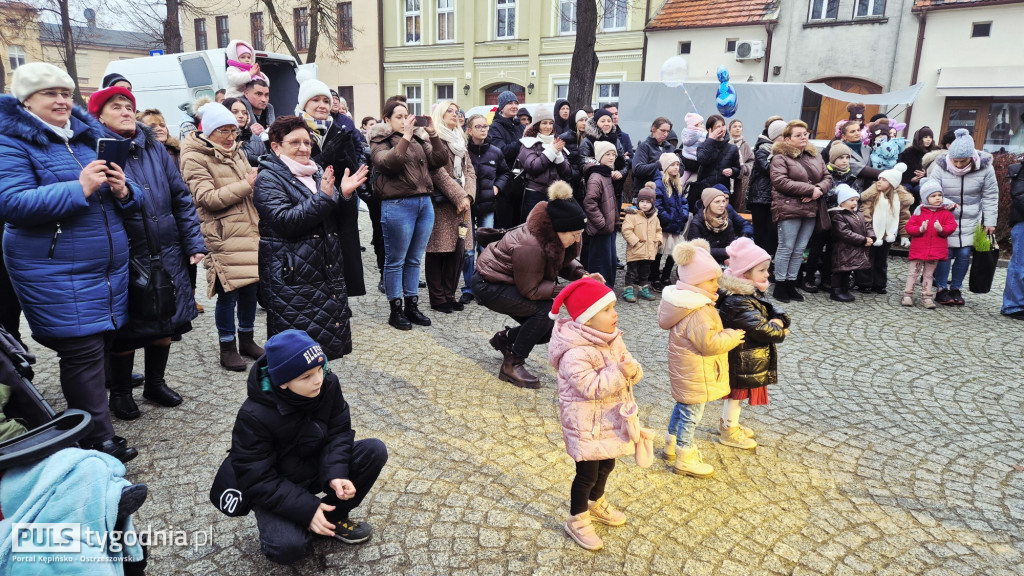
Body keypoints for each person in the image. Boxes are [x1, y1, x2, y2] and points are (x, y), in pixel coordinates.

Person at [0, 63, 139, 462]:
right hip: (53, 266)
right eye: (50, 93)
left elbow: (131, 198)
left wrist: (124, 190)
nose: (62, 100)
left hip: (104, 267)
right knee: (82, 350)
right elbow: (11, 203)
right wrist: (79, 187)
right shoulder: (10, 140)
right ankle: (95, 437)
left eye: (66, 92)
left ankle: (87, 418)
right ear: (26, 100)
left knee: (99, 342)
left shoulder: (84, 137)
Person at [88, 87, 205, 421]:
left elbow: (181, 197)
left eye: (129, 106)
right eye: (116, 107)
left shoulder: (153, 146)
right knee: (128, 328)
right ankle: (121, 393)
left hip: (167, 248)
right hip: (125, 252)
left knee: (166, 320)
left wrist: (193, 242)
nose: (125, 111)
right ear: (100, 115)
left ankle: (155, 383)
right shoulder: (93, 149)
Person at [228, 329, 388, 565]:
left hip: (314, 465)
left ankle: (333, 517)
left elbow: (339, 431)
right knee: (287, 548)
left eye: (319, 369)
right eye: (306, 377)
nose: (318, 380)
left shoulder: (328, 383)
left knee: (374, 450)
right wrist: (306, 509)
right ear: (282, 383)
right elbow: (255, 478)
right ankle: (306, 519)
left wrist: (336, 474)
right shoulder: (253, 415)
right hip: (276, 483)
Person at [253, 115, 367, 358]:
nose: (304, 148)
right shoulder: (268, 178)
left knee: (325, 345)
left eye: (307, 142)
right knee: (298, 353)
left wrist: (345, 196)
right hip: (293, 278)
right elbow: (285, 222)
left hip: (325, 272)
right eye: (295, 142)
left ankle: (321, 391)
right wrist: (324, 198)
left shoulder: (315, 173)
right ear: (276, 146)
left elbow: (339, 222)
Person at [549, 277, 644, 552]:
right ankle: (577, 519)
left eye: (614, 307)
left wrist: (632, 370)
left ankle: (595, 502)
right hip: (586, 424)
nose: (615, 314)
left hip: (610, 420)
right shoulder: (574, 352)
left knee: (608, 465)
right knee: (586, 474)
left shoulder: (612, 339)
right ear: (587, 319)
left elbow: (631, 369)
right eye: (607, 309)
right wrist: (619, 372)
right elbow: (590, 387)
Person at [473, 182, 595, 388]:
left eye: (580, 233)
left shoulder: (558, 236)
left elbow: (562, 261)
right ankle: (512, 364)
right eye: (574, 234)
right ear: (558, 229)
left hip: (513, 282)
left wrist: (582, 275)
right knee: (545, 312)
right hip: (488, 285)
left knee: (548, 328)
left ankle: (506, 339)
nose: (577, 239)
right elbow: (531, 290)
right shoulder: (532, 245)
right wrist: (569, 290)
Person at [179, 102, 264, 371]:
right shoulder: (194, 156)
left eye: (233, 131)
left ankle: (247, 339)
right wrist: (247, 184)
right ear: (209, 130)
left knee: (251, 287)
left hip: (249, 230)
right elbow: (206, 199)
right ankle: (227, 347)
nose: (230, 136)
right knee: (229, 292)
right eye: (224, 131)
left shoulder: (236, 151)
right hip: (223, 234)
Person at [657, 239, 744, 477]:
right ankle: (685, 455)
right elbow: (709, 344)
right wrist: (731, 335)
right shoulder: (699, 310)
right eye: (711, 280)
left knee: (683, 407)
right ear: (695, 281)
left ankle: (671, 444)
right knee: (691, 415)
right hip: (697, 372)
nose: (717, 285)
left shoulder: (683, 304)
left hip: (687, 370)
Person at [368, 98, 448, 330]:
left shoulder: (417, 139)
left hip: (424, 203)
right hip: (398, 204)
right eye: (399, 117)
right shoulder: (379, 139)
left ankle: (412, 306)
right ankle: (396, 309)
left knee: (414, 259)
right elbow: (388, 163)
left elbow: (439, 160)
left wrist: (433, 134)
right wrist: (404, 137)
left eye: (407, 116)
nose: (405, 121)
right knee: (395, 260)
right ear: (387, 120)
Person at [295, 78, 366, 299]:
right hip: (308, 205)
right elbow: (293, 170)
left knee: (342, 261)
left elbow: (354, 170)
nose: (322, 105)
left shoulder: (338, 129)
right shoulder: (293, 130)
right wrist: (323, 157)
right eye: (315, 99)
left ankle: (340, 299)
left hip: (340, 205)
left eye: (326, 100)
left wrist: (348, 159)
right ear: (304, 104)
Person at [716, 237, 789, 449]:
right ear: (745, 273)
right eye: (763, 270)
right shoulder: (737, 300)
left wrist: (779, 320)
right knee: (736, 395)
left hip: (747, 356)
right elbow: (762, 329)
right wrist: (780, 330)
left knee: (737, 396)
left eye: (767, 269)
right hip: (741, 357)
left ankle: (728, 424)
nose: (767, 274)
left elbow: (775, 311)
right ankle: (728, 430)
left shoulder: (751, 292)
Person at [929, 129, 999, 306]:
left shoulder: (985, 168)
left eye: (963, 161)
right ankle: (941, 288)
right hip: (946, 217)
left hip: (971, 217)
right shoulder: (940, 166)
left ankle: (956, 288)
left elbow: (991, 195)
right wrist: (944, 202)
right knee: (946, 252)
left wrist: (990, 222)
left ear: (972, 157)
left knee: (964, 253)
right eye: (955, 161)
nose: (959, 165)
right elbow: (929, 189)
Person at [769, 120, 832, 303]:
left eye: (805, 134)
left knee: (799, 249)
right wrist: (808, 189)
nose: (803, 137)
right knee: (786, 247)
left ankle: (791, 283)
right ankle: (780, 285)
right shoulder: (780, 157)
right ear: (787, 139)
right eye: (798, 135)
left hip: (811, 207)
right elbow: (780, 181)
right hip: (789, 207)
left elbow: (827, 177)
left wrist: (817, 190)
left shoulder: (815, 155)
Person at [426, 100, 476, 313]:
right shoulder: (433, 139)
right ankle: (438, 299)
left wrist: (469, 197)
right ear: (440, 114)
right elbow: (438, 172)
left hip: (462, 204)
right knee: (439, 251)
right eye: (450, 111)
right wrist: (459, 197)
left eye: (457, 111)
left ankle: (449, 294)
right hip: (443, 204)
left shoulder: (460, 141)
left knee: (458, 252)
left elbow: (470, 171)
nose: (455, 114)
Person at [464, 113, 510, 304]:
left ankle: (483, 287)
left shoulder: (495, 151)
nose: (483, 130)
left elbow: (505, 172)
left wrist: (497, 187)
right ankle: (468, 287)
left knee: (486, 248)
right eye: (479, 127)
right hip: (467, 207)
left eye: (485, 127)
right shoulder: (463, 151)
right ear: (469, 130)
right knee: (468, 250)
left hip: (488, 205)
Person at [856, 163, 914, 294]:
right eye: (879, 179)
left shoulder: (900, 198)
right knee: (868, 258)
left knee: (881, 260)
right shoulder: (873, 195)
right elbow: (865, 213)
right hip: (872, 233)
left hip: (888, 234)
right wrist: (868, 231)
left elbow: (905, 217)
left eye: (884, 180)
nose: (879, 182)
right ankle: (864, 283)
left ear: (892, 183)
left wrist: (904, 235)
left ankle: (879, 284)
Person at [903, 178, 957, 308]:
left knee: (929, 275)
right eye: (933, 196)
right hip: (918, 249)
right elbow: (909, 227)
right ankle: (907, 295)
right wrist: (920, 229)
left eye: (939, 195)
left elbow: (952, 226)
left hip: (935, 251)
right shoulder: (918, 212)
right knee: (913, 273)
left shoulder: (945, 213)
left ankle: (927, 297)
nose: (938, 198)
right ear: (926, 198)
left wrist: (942, 229)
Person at [518, 105, 571, 220]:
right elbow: (533, 167)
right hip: (535, 194)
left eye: (551, 123)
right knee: (534, 231)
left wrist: (558, 154)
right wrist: (552, 151)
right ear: (537, 125)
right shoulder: (528, 143)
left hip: (555, 195)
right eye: (544, 123)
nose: (548, 127)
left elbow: (566, 172)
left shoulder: (556, 142)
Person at [583, 141, 620, 289]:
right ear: (599, 156)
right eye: (607, 154)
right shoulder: (596, 177)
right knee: (600, 262)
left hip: (608, 228)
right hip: (601, 229)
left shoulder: (605, 174)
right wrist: (601, 224)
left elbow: (611, 202)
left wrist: (615, 222)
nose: (611, 158)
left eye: (613, 155)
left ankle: (606, 289)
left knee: (609, 261)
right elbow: (589, 203)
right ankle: (598, 291)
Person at [828, 185, 874, 302]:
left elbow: (867, 226)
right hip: (843, 248)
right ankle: (836, 290)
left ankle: (844, 288)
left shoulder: (858, 214)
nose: (855, 203)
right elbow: (844, 233)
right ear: (842, 202)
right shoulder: (838, 215)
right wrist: (863, 240)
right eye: (851, 200)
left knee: (848, 269)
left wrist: (870, 236)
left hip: (854, 248)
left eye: (856, 201)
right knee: (840, 269)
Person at [486, 91, 525, 228]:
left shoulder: (520, 126)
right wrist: (522, 142)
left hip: (520, 183)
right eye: (510, 103)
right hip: (504, 185)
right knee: (503, 227)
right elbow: (501, 151)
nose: (514, 106)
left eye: (516, 103)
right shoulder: (495, 127)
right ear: (501, 107)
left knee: (518, 226)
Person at [747, 119, 785, 259]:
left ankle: (767, 261)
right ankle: (757, 261)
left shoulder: (783, 152)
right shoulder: (762, 150)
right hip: (760, 197)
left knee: (773, 232)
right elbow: (769, 170)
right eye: (783, 135)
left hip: (776, 198)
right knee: (760, 232)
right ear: (775, 137)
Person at [652, 153, 689, 289]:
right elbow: (658, 206)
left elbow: (684, 202)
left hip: (676, 224)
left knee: (674, 252)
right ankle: (655, 277)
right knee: (659, 252)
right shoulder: (659, 183)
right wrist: (670, 218)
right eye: (673, 164)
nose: (676, 167)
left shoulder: (677, 184)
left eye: (678, 165)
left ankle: (666, 275)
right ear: (666, 166)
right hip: (665, 226)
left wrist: (683, 215)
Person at [620, 183, 662, 302]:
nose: (644, 204)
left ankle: (643, 289)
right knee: (632, 272)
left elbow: (659, 230)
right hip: (635, 250)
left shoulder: (655, 217)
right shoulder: (632, 216)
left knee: (645, 272)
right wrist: (636, 242)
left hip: (649, 251)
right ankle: (628, 290)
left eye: (648, 202)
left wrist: (658, 241)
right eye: (642, 201)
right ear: (638, 202)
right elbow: (626, 230)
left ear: (652, 203)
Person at [579, 108, 629, 205]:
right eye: (602, 121)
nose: (606, 124)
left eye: (609, 121)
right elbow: (583, 164)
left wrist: (620, 173)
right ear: (595, 123)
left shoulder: (616, 140)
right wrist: (607, 172)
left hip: (616, 191)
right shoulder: (588, 141)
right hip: (596, 191)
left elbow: (625, 163)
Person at [691, 114, 741, 211]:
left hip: (722, 192)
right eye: (717, 127)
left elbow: (737, 169)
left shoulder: (732, 148)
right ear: (710, 130)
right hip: (705, 191)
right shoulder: (703, 145)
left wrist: (732, 171)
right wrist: (710, 140)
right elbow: (702, 160)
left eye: (723, 125)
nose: (721, 129)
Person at [686, 186, 742, 265]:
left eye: (723, 201)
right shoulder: (697, 223)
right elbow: (697, 250)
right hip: (702, 263)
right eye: (717, 202)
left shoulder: (728, 222)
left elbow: (730, 244)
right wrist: (725, 251)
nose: (722, 205)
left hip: (723, 264)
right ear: (708, 204)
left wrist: (729, 258)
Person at [1002, 159, 1024, 319]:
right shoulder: (1021, 170)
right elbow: (1019, 196)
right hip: (1023, 222)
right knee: (1019, 265)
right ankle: (1013, 306)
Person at [899, 127, 940, 207]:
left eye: (930, 137)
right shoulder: (908, 152)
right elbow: (903, 170)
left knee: (919, 189)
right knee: (906, 188)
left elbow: (936, 170)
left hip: (927, 181)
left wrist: (924, 175)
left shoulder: (935, 152)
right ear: (919, 139)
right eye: (925, 137)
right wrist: (911, 179)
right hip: (908, 180)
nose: (928, 139)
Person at [631, 117, 675, 192]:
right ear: (653, 129)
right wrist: (659, 164)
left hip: (668, 192)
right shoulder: (644, 146)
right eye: (663, 131)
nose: (666, 134)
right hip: (647, 193)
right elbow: (637, 169)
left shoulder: (670, 148)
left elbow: (681, 168)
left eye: (668, 131)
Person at [222, 97, 267, 166]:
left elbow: (266, 164)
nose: (241, 116)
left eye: (244, 113)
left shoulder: (257, 140)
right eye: (235, 112)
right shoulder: (220, 140)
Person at [559, 110, 590, 205]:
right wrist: (573, 174)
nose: (584, 123)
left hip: (584, 185)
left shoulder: (589, 138)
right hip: (568, 184)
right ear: (574, 122)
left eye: (586, 120)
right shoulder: (564, 138)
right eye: (581, 120)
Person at [728, 119, 754, 211]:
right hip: (725, 178)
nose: (738, 128)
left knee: (736, 206)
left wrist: (744, 169)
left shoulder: (745, 145)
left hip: (739, 179)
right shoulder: (726, 143)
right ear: (729, 130)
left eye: (740, 126)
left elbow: (751, 161)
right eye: (735, 126)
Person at [678, 113, 705, 184]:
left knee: (685, 175)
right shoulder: (702, 134)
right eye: (701, 123)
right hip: (696, 162)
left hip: (685, 160)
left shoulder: (685, 133)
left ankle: (679, 187)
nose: (702, 125)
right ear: (696, 124)